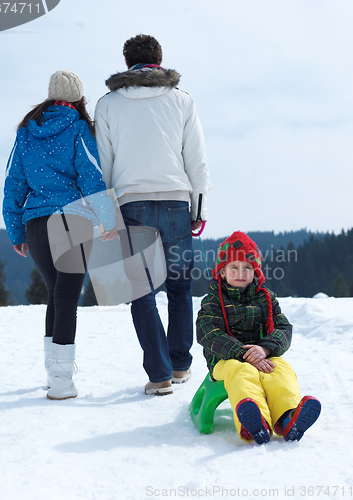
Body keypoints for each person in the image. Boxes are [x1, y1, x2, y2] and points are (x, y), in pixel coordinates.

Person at [95, 34, 211, 396]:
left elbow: (104, 166)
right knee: (180, 288)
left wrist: (106, 216)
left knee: (141, 292)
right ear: (160, 59)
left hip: (131, 205)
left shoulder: (108, 104)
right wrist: (199, 209)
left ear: (127, 62)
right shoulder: (183, 101)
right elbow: (197, 160)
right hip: (177, 201)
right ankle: (180, 366)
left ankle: (159, 375)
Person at [3, 70, 116, 400]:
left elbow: (13, 185)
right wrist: (108, 219)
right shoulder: (78, 128)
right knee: (66, 296)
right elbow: (92, 177)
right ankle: (62, 382)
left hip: (36, 225)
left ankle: (53, 374)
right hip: (71, 221)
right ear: (79, 97)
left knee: (56, 294)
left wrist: (15, 232)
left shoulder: (26, 131)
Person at [196, 231, 321, 443]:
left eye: (247, 268)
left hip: (263, 356)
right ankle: (254, 423)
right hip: (225, 360)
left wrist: (265, 350)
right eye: (233, 267)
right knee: (242, 371)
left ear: (255, 271)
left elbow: (283, 328)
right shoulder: (213, 300)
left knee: (280, 368)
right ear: (222, 272)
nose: (240, 273)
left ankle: (287, 417)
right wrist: (244, 354)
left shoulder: (266, 297)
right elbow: (208, 332)